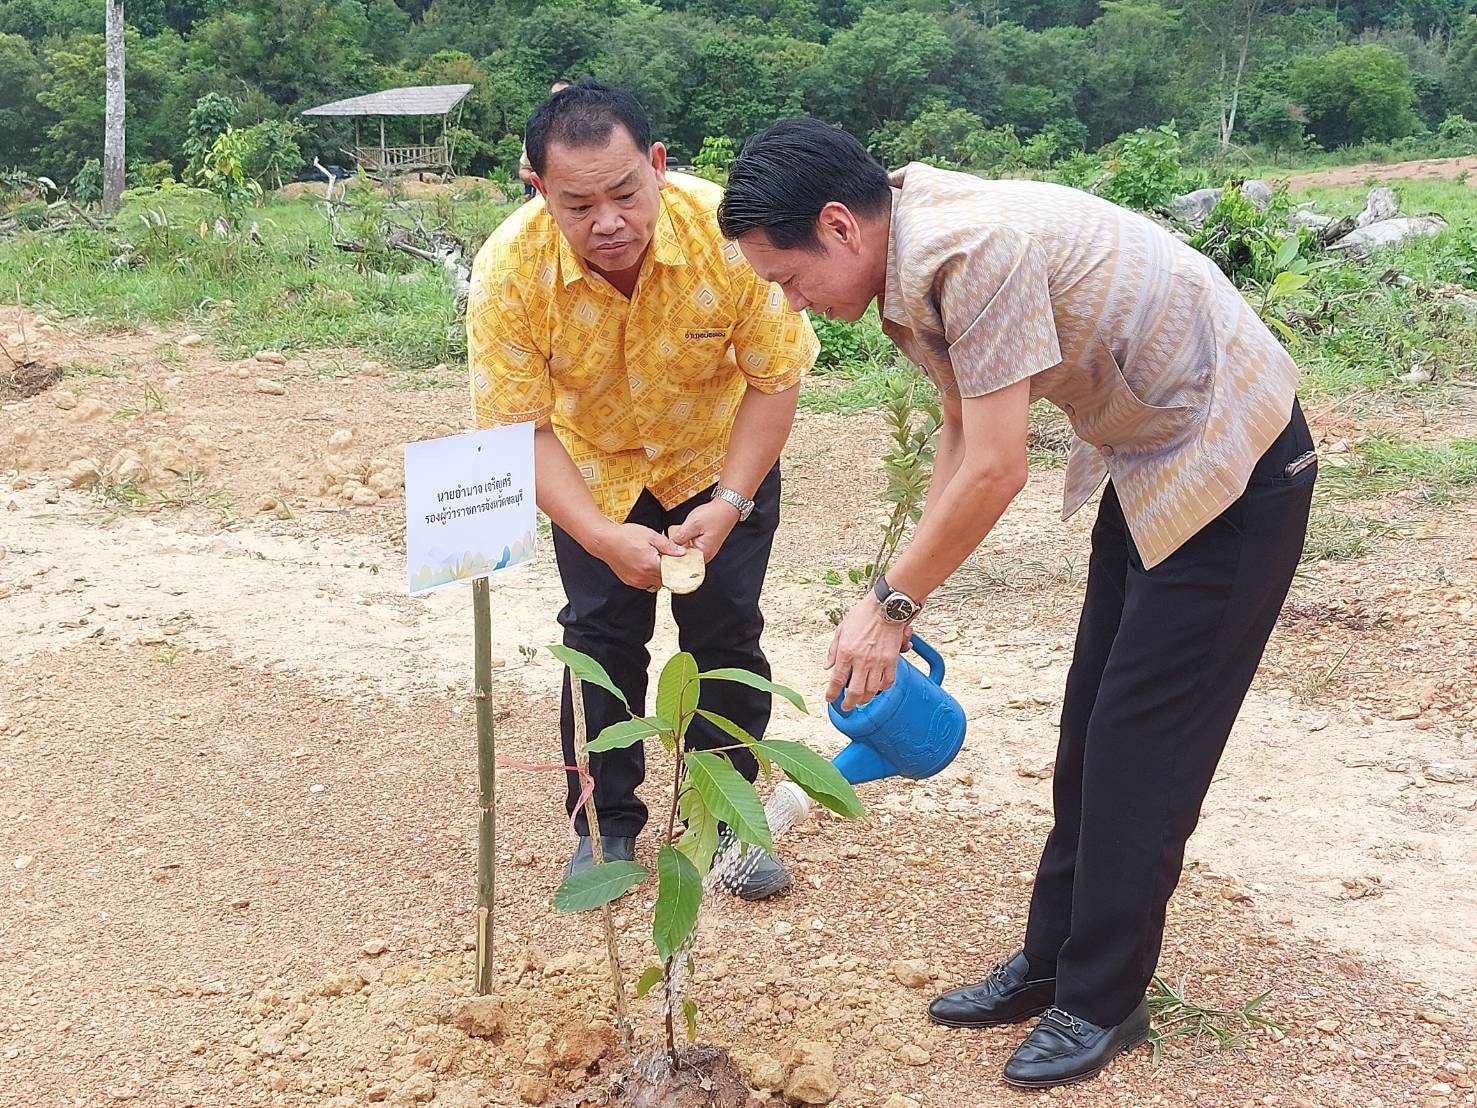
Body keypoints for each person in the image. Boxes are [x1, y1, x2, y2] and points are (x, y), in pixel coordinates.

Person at [716, 119, 1315, 1089]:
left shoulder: (971, 253)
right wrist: (904, 587)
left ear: (838, 225)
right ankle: (1051, 963)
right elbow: (961, 427)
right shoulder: (906, 261)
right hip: (1150, 457)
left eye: (787, 279)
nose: (793, 302)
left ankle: (1103, 996)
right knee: (1089, 731)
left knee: (1140, 750)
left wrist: (895, 599)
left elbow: (998, 469)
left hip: (1232, 463)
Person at [467, 82, 819, 900]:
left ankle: (723, 821)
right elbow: (522, 429)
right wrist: (594, 533)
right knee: (599, 640)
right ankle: (604, 828)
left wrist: (730, 501)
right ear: (536, 188)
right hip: (592, 473)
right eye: (578, 204)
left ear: (658, 165)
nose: (608, 222)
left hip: (717, 462)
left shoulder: (727, 237)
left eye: (626, 192)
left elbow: (774, 379)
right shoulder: (509, 272)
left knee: (726, 634)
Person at [518, 79, 570, 199]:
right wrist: (546, 181)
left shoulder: (591, 129)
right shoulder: (538, 131)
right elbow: (523, 170)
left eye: (565, 97)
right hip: (545, 205)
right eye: (555, 98)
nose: (560, 102)